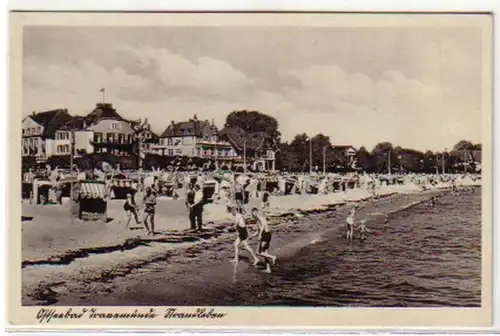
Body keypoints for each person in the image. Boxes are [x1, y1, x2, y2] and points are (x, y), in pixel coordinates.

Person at [250, 207, 277, 273]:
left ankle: (273, 257)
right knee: (265, 253)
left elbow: (263, 226)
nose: (252, 215)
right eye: (252, 213)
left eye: (253, 213)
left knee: (258, 252)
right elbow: (259, 230)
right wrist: (252, 236)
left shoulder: (259, 218)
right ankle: (268, 269)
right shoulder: (258, 219)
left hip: (265, 235)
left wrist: (260, 235)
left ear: (255, 212)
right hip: (267, 234)